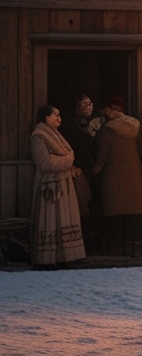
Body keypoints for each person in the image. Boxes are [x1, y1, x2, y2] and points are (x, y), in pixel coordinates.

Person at [30, 105, 87, 267]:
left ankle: (65, 256)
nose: (59, 118)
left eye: (59, 115)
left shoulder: (56, 135)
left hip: (62, 185)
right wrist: (68, 160)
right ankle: (47, 259)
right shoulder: (39, 137)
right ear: (46, 118)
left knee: (63, 221)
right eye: (55, 115)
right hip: (49, 189)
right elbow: (44, 163)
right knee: (50, 222)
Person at [92, 97, 142, 257]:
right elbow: (141, 149)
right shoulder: (135, 126)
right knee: (130, 210)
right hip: (134, 173)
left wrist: (96, 168)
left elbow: (103, 153)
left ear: (113, 111)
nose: (104, 112)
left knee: (114, 210)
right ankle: (130, 245)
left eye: (107, 109)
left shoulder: (108, 129)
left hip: (114, 173)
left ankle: (114, 246)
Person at [59, 95, 99, 252]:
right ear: (76, 106)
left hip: (93, 169)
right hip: (77, 170)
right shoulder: (68, 125)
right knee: (82, 205)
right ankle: (84, 243)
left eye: (91, 103)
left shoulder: (95, 123)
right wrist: (74, 165)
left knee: (94, 203)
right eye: (85, 103)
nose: (90, 106)